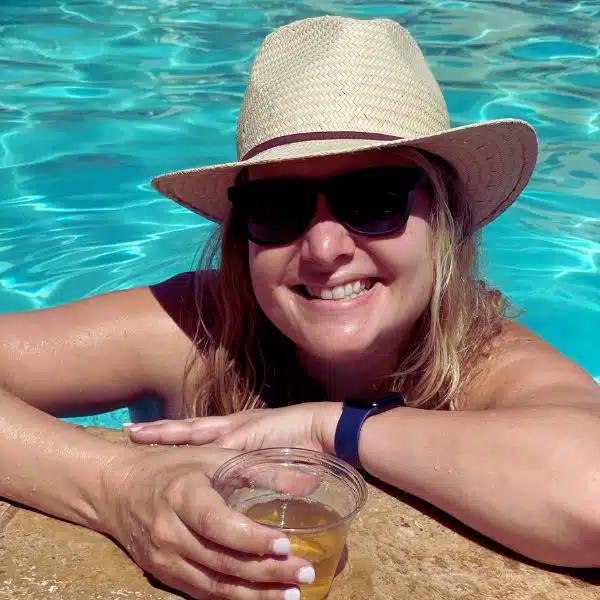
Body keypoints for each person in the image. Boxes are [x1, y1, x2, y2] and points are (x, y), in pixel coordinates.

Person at [0, 14, 598, 600]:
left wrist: (331, 426)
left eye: (372, 199)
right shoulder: (197, 330)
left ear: (442, 221)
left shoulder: (484, 357)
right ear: (242, 236)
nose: (324, 248)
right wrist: (116, 486)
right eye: (278, 206)